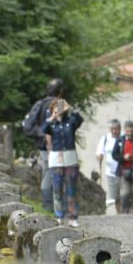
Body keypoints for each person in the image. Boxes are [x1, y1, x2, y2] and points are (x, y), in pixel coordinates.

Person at [23, 78, 63, 212]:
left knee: (48, 173)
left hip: (42, 147)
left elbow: (27, 127)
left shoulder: (39, 104)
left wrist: (41, 133)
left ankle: (51, 210)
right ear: (60, 91)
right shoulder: (60, 104)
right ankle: (50, 209)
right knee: (51, 175)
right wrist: (47, 134)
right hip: (55, 147)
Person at [42, 97, 83, 227]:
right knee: (57, 189)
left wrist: (70, 108)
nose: (59, 110)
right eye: (56, 107)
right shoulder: (52, 124)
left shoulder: (70, 121)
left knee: (71, 189)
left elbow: (79, 120)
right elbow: (43, 128)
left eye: (60, 107)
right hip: (56, 159)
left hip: (70, 158)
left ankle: (73, 217)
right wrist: (53, 117)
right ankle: (59, 216)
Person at [95, 119, 122, 214]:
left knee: (125, 195)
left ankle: (125, 214)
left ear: (120, 128)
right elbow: (99, 152)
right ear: (109, 129)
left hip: (123, 171)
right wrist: (100, 157)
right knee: (116, 196)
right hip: (111, 172)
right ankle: (120, 214)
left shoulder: (123, 137)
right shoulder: (105, 139)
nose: (114, 131)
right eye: (112, 129)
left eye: (116, 129)